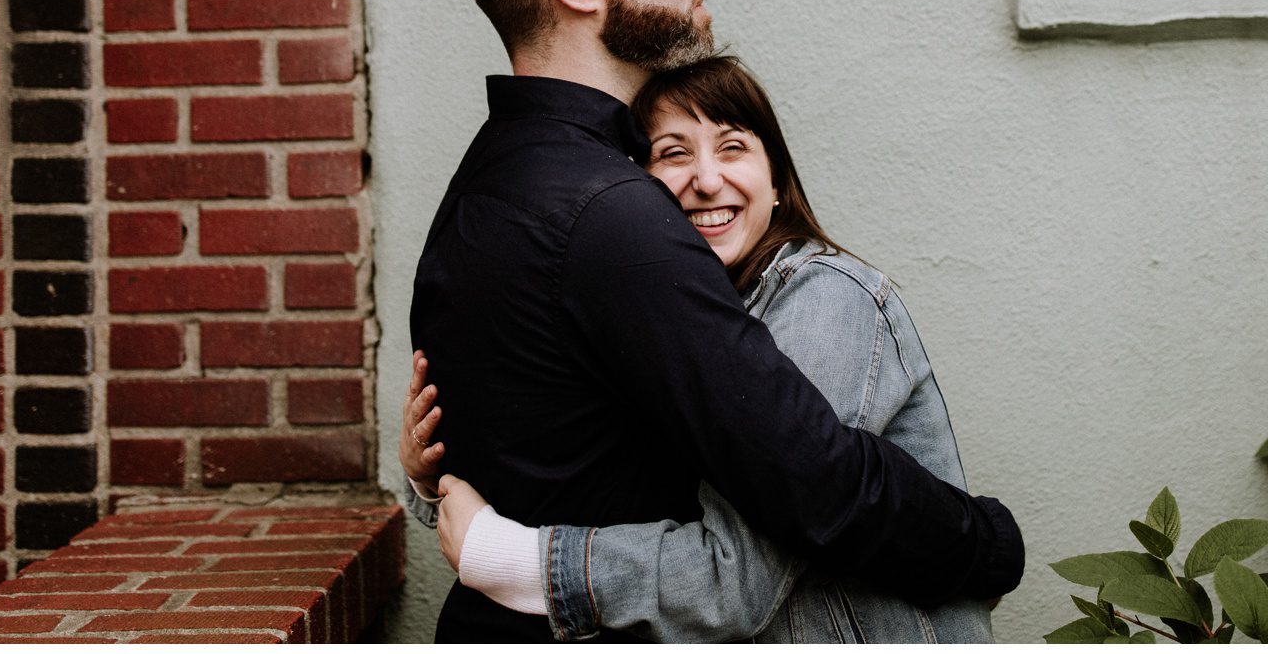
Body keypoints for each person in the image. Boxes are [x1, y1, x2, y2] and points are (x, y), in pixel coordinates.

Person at [410, 0, 1021, 641]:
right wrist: (991, 543)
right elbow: (814, 481)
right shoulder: (610, 212)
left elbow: (531, 449)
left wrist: (431, 485)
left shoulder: (484, 184)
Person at [405, 55, 994, 642]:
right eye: (673, 154)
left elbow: (736, 582)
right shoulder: (673, 317)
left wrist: (520, 559)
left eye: (733, 148)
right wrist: (433, 474)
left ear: (777, 182)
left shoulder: (827, 298)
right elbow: (602, 479)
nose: (707, 181)